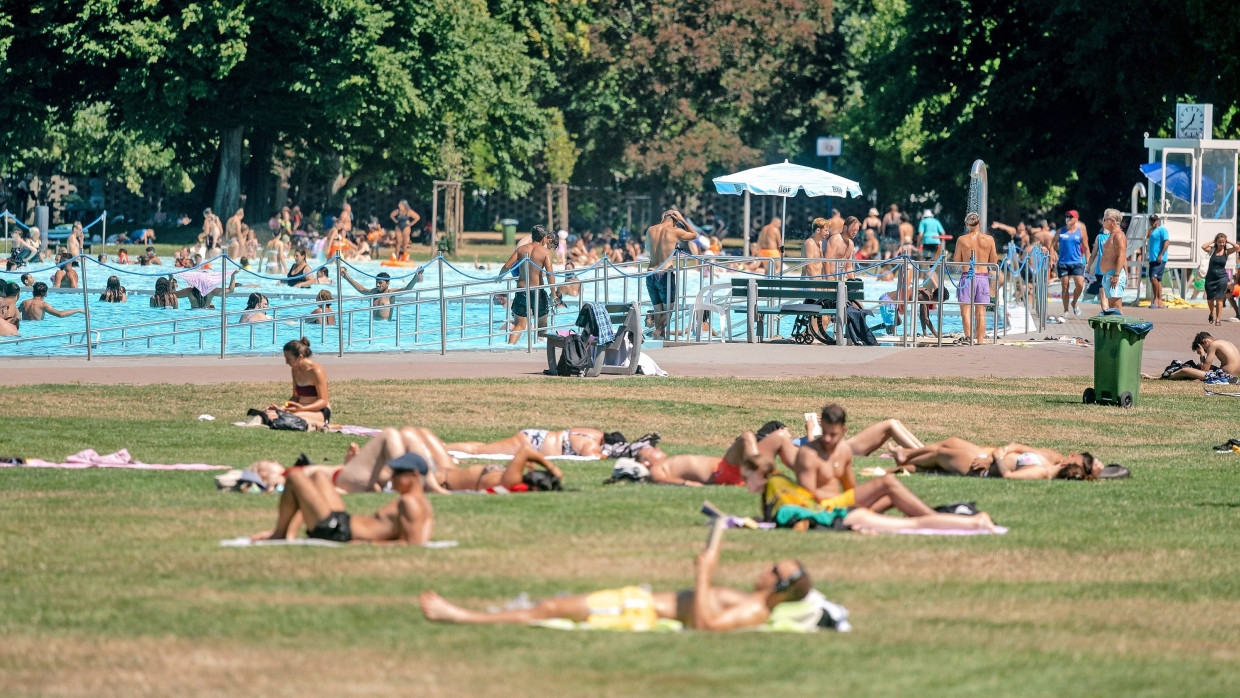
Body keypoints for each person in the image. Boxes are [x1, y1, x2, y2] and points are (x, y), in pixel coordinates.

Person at [421, 517, 813, 631]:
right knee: (550, 605)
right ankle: (467, 615)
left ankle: (460, 616)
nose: (764, 567)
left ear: (779, 588)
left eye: (772, 569)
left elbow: (706, 626)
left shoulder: (754, 612)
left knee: (551, 609)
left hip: (636, 613)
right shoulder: (751, 602)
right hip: (637, 603)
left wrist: (704, 573)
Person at [742, 456, 998, 533]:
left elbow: (802, 518)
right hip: (851, 517)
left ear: (760, 475)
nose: (744, 484)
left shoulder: (780, 498)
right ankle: (971, 521)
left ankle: (976, 522)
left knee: (915, 524)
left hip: (851, 516)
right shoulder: (778, 491)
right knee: (912, 524)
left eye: (746, 478)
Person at [791, 404, 942, 518]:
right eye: (825, 433)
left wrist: (861, 504)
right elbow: (808, 500)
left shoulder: (843, 450)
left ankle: (927, 520)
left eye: (833, 434)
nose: (827, 439)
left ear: (844, 430)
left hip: (841, 503)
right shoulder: (807, 454)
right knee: (887, 482)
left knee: (889, 498)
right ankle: (935, 519)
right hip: (823, 508)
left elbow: (850, 489)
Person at [250, 451, 433, 545]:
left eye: (397, 473)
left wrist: (367, 544)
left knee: (295, 477)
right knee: (319, 477)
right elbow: (419, 537)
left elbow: (413, 543)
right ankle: (287, 532)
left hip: (338, 531)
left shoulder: (409, 503)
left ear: (415, 475)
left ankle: (279, 534)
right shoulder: (421, 503)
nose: (391, 477)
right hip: (342, 522)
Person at [632, 429, 797, 487]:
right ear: (646, 462)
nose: (656, 448)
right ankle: (762, 474)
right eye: (650, 450)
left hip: (738, 467)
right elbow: (660, 480)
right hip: (722, 471)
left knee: (781, 436)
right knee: (746, 437)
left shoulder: (667, 462)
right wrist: (690, 485)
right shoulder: (656, 469)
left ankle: (807, 474)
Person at [250, 337, 331, 429]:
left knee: (283, 417)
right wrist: (283, 407)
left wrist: (302, 408)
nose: (286, 362)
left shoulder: (316, 371)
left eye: (288, 359)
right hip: (300, 409)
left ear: (300, 357)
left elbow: (323, 401)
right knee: (268, 413)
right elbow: (295, 397)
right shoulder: (295, 370)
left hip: (319, 411)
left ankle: (327, 426)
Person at [644, 211, 698, 339]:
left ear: (663, 217)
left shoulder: (651, 230)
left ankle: (660, 338)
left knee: (658, 310)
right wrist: (683, 220)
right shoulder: (675, 230)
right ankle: (657, 331)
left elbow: (647, 248)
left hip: (650, 273)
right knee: (669, 310)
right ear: (675, 219)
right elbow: (694, 235)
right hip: (665, 274)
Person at [952, 212, 998, 344]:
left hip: (967, 276)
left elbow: (956, 262)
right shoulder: (989, 240)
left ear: (967, 225)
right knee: (981, 312)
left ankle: (968, 338)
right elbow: (993, 261)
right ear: (980, 223)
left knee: (966, 311)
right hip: (983, 277)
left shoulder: (962, 240)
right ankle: (980, 340)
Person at [446, 427, 616, 458]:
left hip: (536, 437)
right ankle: (442, 448)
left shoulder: (593, 432)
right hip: (533, 443)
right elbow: (591, 455)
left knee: (483, 447)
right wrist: (605, 455)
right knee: (478, 451)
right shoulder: (594, 444)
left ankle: (442, 447)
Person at [1147, 332, 1240, 381]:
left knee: (1185, 370)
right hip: (1234, 375)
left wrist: (1202, 354)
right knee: (1197, 368)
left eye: (1205, 348)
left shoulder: (1213, 345)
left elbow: (1205, 369)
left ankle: (1159, 378)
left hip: (1225, 377)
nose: (1206, 351)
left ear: (1205, 341)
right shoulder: (1226, 342)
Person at [341, 268, 421, 321]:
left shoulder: (390, 293)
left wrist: (416, 277)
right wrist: (347, 278)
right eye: (376, 282)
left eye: (380, 283)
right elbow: (361, 289)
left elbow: (407, 289)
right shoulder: (374, 292)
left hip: (385, 327)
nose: (377, 285)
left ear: (388, 283)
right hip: (373, 325)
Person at [1053, 210, 1089, 320]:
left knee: (1080, 284)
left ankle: (1074, 303)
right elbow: (1052, 245)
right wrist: (1052, 258)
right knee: (1064, 287)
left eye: (1070, 217)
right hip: (1063, 263)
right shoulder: (1061, 231)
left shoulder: (1081, 232)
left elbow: (1086, 248)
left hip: (1077, 262)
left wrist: (1087, 262)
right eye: (1067, 216)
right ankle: (1066, 310)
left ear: (1076, 219)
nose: (1068, 218)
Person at [1201, 233, 1236, 326]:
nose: (1222, 244)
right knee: (1210, 299)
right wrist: (1213, 241)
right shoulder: (1212, 250)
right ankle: (1212, 312)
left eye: (1223, 242)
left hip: (1222, 277)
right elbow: (1203, 247)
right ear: (1216, 242)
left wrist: (1229, 242)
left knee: (1219, 298)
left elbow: (1237, 248)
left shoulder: (1226, 252)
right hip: (1210, 277)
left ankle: (1218, 319)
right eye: (1220, 242)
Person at [1098, 209, 1128, 314]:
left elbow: (1122, 256)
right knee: (1111, 307)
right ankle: (1115, 330)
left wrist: (1116, 275)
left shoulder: (1119, 235)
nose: (1103, 222)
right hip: (1108, 275)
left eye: (1105, 219)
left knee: (1116, 307)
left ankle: (1122, 330)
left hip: (1114, 275)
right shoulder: (1111, 235)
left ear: (1112, 221)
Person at [19, 282, 84, 321]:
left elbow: (14, 312)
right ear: (46, 293)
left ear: (33, 292)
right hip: (37, 329)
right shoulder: (43, 305)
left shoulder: (24, 302)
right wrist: (78, 310)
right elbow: (60, 314)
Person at [1146, 214, 1169, 308]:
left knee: (1153, 278)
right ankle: (1160, 302)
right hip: (1152, 258)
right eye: (1151, 221)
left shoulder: (1162, 230)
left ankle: (1156, 299)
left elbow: (1166, 242)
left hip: (1159, 258)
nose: (1153, 222)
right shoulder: (1151, 231)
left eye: (1154, 220)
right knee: (1157, 279)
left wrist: (1161, 255)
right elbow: (1146, 238)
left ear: (1158, 221)